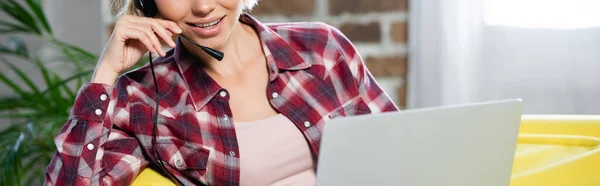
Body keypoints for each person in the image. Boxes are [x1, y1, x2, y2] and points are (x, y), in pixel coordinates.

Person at [44, 0, 398, 185]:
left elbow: (401, 150)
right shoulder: (143, 99)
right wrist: (104, 75)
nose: (202, 7)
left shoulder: (322, 48)